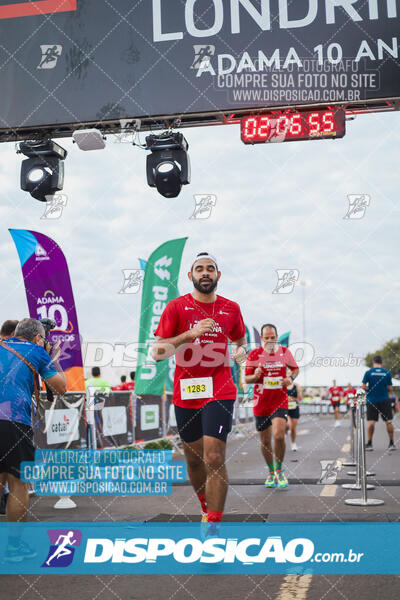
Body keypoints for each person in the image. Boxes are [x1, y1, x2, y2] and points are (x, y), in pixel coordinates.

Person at [151, 252, 247, 532]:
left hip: (220, 388)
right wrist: (189, 335)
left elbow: (240, 342)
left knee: (214, 456)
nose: (205, 273)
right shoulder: (176, 307)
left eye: (211, 269)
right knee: (193, 460)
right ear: (190, 276)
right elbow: (157, 353)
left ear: (219, 275)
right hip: (187, 391)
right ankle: (205, 505)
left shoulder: (232, 308)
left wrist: (241, 357)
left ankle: (214, 524)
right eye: (199, 269)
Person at [0, 318, 66, 561]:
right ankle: (14, 548)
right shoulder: (37, 351)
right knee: (18, 485)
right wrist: (53, 359)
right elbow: (60, 388)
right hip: (13, 421)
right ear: (39, 338)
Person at [245, 324, 299, 489]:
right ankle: (270, 472)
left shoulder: (284, 352)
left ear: (276, 337)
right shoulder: (254, 354)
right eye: (266, 337)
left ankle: (280, 470)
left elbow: (295, 369)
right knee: (265, 440)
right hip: (261, 403)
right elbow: (247, 379)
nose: (269, 340)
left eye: (272, 337)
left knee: (278, 435)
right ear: (261, 338)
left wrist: (290, 379)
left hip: (279, 401)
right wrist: (255, 375)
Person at [362, 356, 395, 451]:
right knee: (388, 421)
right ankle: (391, 443)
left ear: (373, 362)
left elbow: (363, 387)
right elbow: (390, 388)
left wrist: (370, 389)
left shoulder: (368, 372)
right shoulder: (386, 372)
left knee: (371, 422)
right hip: (384, 399)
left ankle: (369, 444)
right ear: (381, 362)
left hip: (372, 400)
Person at [286, 381, 302, 451]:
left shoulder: (296, 386)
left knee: (293, 428)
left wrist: (298, 391)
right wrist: (287, 399)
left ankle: (293, 443)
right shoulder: (283, 384)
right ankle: (285, 431)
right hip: (285, 408)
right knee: (288, 425)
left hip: (294, 408)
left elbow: (300, 399)